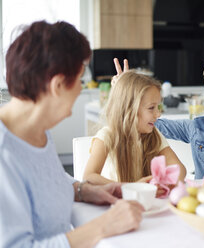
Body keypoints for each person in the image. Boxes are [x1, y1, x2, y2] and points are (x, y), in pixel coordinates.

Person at [0, 21, 145, 248]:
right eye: (79, 79)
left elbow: (44, 181)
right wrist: (103, 226)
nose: (81, 88)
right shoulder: (4, 153)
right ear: (57, 85)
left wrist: (83, 190)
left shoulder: (37, 131)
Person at [83, 69, 187, 188]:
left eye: (158, 107)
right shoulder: (107, 136)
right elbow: (89, 177)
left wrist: (161, 183)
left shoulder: (154, 134)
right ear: (129, 108)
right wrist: (130, 187)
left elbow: (180, 170)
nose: (158, 114)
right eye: (151, 108)